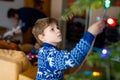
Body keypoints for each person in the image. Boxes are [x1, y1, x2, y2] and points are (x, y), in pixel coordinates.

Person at [32, 17, 105, 80]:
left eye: (57, 27)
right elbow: (73, 59)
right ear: (42, 37)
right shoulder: (49, 54)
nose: (58, 30)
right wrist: (90, 33)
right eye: (52, 29)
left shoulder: (44, 50)